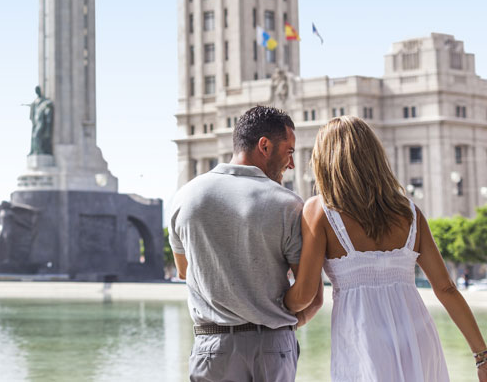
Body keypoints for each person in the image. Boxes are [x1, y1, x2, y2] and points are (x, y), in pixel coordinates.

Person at [285, 116, 487, 381]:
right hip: (418, 339)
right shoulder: (410, 212)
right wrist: (481, 356)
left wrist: (267, 310)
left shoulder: (319, 211)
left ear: (325, 161)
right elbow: (446, 288)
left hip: (362, 341)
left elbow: (304, 295)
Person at [169, 105, 322, 382]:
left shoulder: (185, 197)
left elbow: (184, 271)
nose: (292, 164)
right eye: (289, 152)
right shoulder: (288, 205)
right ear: (264, 146)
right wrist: (280, 324)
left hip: (212, 349)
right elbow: (310, 294)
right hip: (271, 348)